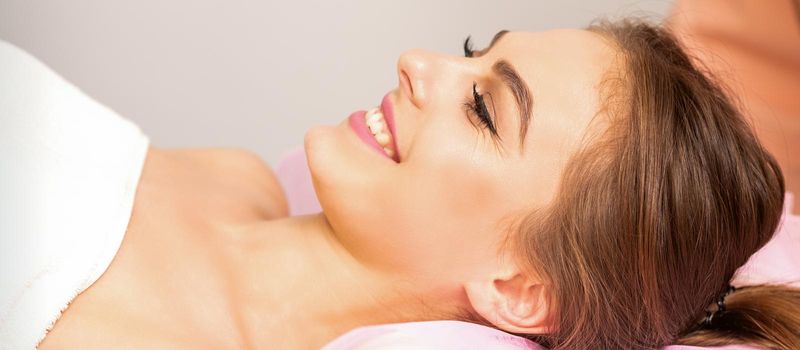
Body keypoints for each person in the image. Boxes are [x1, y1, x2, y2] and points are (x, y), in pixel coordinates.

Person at [34, 19, 800, 350]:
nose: (418, 61)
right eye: (475, 51)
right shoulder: (233, 180)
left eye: (483, 109)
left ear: (520, 288)